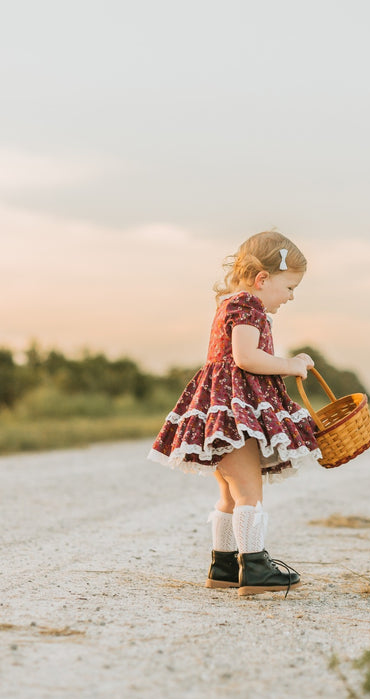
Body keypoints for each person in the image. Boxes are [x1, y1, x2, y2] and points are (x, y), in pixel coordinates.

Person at [148, 231, 321, 595]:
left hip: (223, 408)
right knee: (248, 489)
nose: (291, 297)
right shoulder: (248, 306)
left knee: (229, 492)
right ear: (263, 279)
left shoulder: (231, 303)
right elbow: (246, 358)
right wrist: (289, 364)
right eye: (289, 287)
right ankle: (254, 567)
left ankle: (225, 565)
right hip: (235, 413)